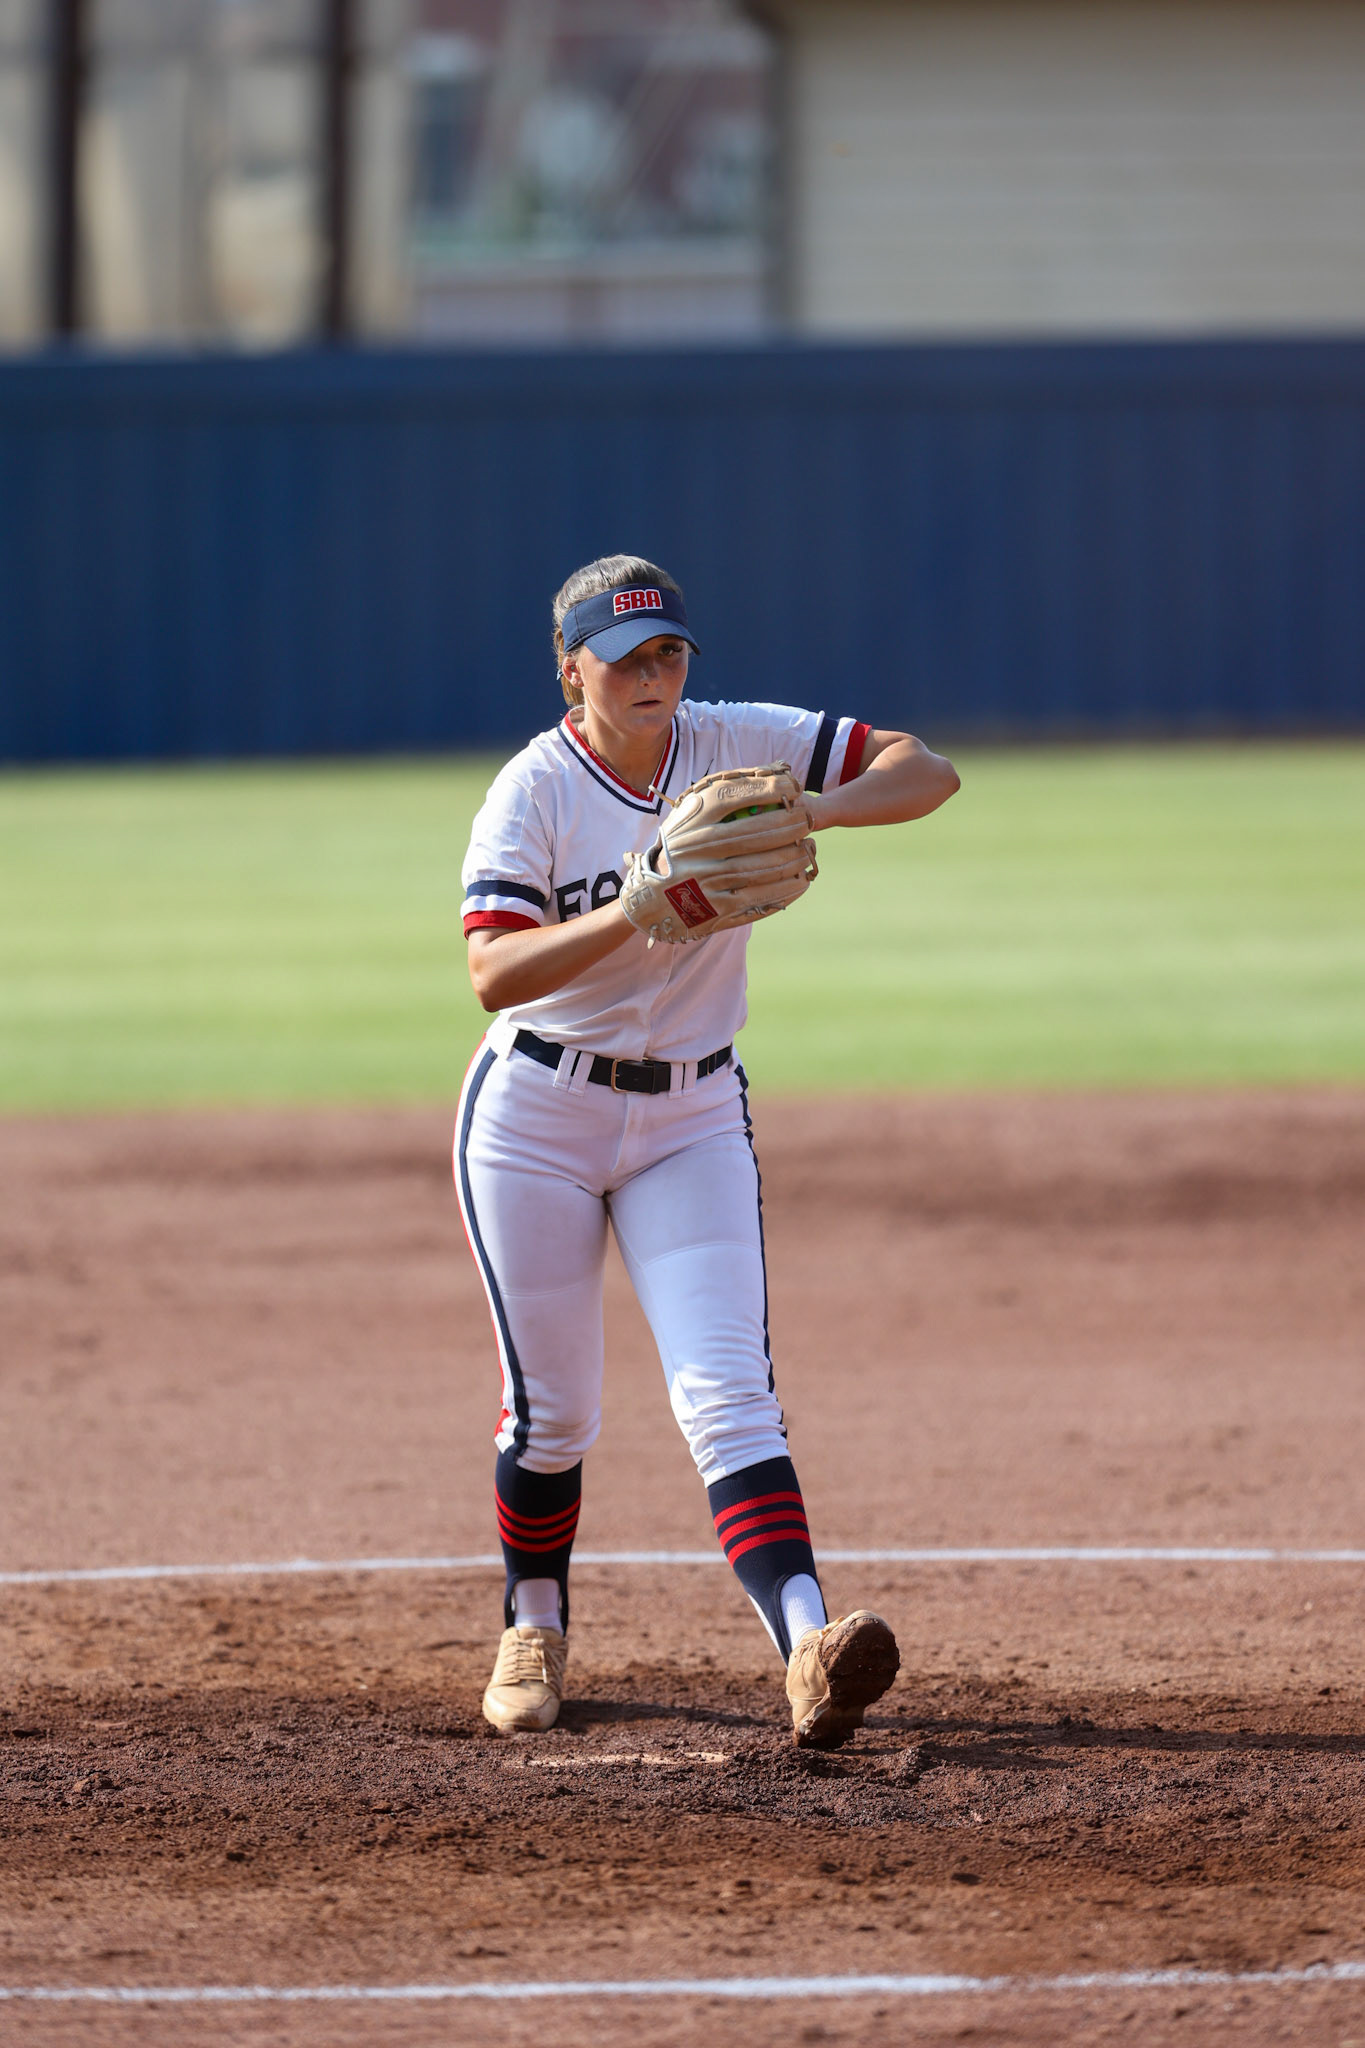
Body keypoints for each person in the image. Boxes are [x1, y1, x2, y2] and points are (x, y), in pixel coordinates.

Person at [456, 554, 959, 1747]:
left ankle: (810, 1651)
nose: (652, 675)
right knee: (553, 1413)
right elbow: (491, 972)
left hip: (690, 1114)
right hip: (538, 1118)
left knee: (731, 1398)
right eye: (624, 657)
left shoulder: (736, 741)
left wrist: (810, 807)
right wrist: (630, 908)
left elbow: (925, 769)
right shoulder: (532, 791)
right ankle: (534, 1618)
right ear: (570, 667)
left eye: (668, 651)